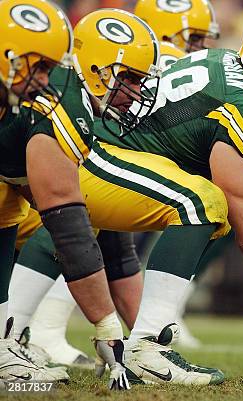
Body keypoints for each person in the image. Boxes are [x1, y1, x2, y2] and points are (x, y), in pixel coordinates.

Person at [17, 11, 243, 385]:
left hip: (94, 146)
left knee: (63, 228)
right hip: (92, 153)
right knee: (202, 204)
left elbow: (179, 142)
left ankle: (14, 336)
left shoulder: (225, 63)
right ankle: (147, 348)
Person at [0, 1, 161, 389]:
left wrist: (106, 322)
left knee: (10, 206)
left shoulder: (50, 102)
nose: (44, 80)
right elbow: (69, 227)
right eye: (37, 66)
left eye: (49, 67)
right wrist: (107, 323)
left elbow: (69, 224)